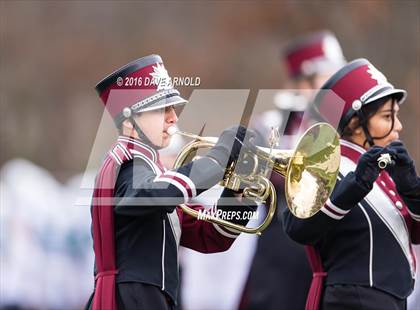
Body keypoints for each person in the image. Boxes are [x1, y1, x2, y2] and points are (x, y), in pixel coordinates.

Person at [85, 54, 257, 310]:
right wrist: (218, 158)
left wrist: (240, 190)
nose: (173, 118)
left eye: (172, 108)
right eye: (161, 109)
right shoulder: (129, 162)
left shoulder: (148, 169)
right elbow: (153, 194)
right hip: (134, 299)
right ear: (130, 120)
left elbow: (209, 235)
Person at [283, 58, 420, 310]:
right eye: (388, 116)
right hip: (351, 301)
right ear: (356, 123)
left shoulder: (383, 171)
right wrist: (353, 186)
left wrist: (413, 190)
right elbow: (296, 227)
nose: (398, 126)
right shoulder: (324, 165)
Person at [243, 31, 346, 310]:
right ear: (303, 82)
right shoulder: (272, 124)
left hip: (337, 245)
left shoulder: (346, 121)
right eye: (328, 76)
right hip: (284, 249)